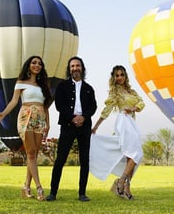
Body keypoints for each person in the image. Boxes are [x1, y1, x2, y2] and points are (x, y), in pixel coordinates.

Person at [0, 55, 52, 201]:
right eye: (34, 62)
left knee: (34, 155)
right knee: (31, 153)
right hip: (26, 117)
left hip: (40, 118)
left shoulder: (43, 86)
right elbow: (14, 101)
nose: (37, 65)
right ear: (28, 65)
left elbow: (46, 106)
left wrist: (48, 124)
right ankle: (39, 187)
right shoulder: (21, 83)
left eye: (39, 63)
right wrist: (3, 114)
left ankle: (26, 186)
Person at [46, 56, 97, 202]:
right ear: (69, 69)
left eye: (77, 66)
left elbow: (93, 106)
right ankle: (53, 193)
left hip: (84, 126)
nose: (75, 68)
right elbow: (59, 105)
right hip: (68, 126)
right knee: (60, 159)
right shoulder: (62, 86)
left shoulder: (89, 89)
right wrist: (72, 118)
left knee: (84, 160)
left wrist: (83, 117)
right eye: (72, 66)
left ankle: (82, 193)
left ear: (82, 68)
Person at [90, 65, 145, 200]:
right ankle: (121, 181)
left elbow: (142, 102)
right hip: (123, 122)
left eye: (122, 75)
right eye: (117, 75)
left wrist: (134, 108)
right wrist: (96, 126)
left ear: (125, 76)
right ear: (114, 77)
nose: (120, 78)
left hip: (132, 122)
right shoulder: (115, 92)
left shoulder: (132, 91)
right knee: (136, 153)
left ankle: (126, 187)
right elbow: (107, 110)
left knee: (130, 156)